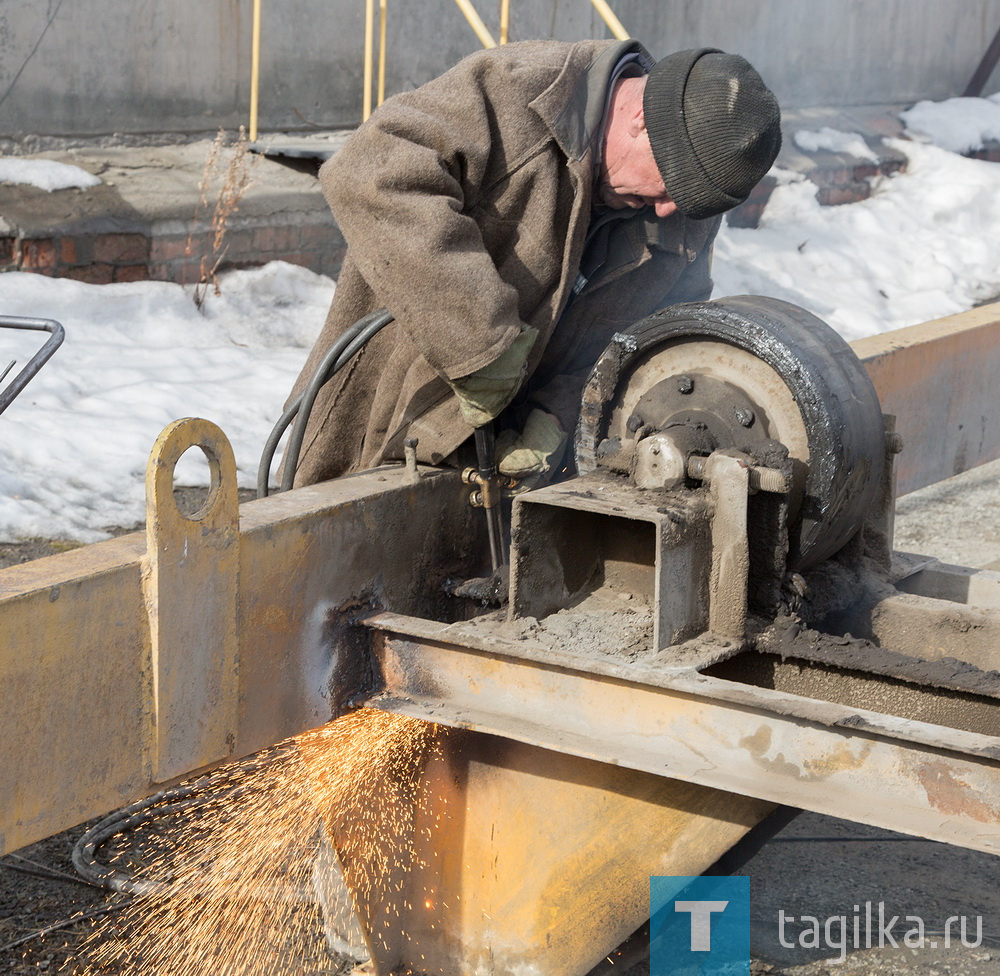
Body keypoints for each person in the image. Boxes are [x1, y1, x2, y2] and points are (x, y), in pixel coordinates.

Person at [285, 39, 781, 487]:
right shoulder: (514, 92)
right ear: (642, 118)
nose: (673, 211)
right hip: (383, 415)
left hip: (518, 468)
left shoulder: (685, 204)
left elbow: (650, 340)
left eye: (692, 202)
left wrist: (561, 415)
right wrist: (481, 342)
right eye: (674, 187)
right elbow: (371, 174)